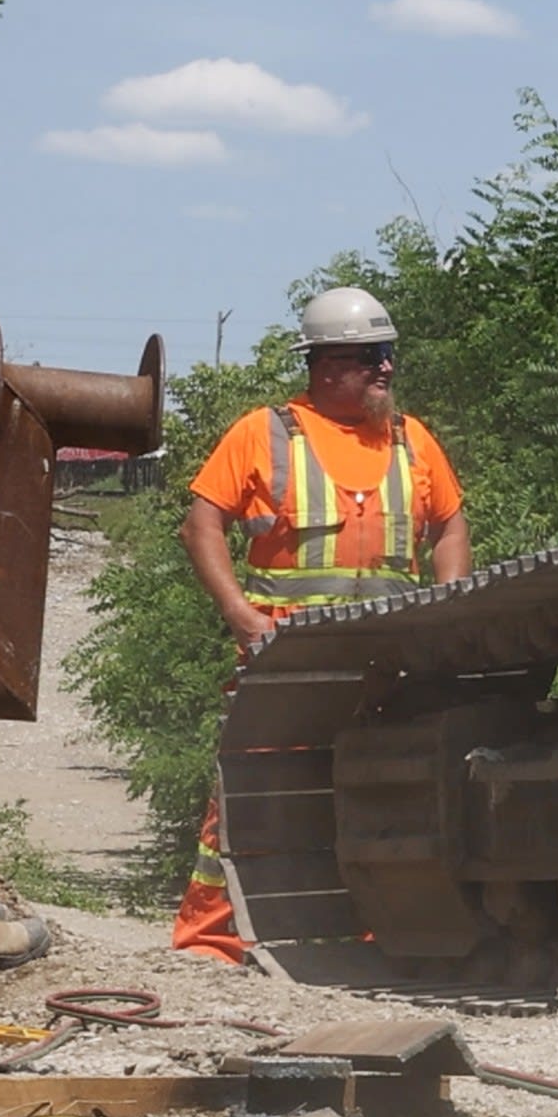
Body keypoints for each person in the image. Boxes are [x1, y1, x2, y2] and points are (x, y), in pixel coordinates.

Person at [171, 286, 468, 960]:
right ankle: (212, 943)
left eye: (387, 355)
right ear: (326, 365)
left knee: (376, 790)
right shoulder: (266, 433)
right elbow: (201, 525)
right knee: (253, 797)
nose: (387, 369)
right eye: (372, 357)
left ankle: (370, 929)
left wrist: (449, 610)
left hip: (385, 667)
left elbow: (450, 523)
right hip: (286, 663)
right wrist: (241, 615)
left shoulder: (410, 439)